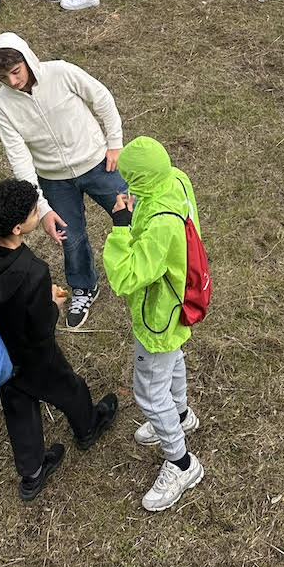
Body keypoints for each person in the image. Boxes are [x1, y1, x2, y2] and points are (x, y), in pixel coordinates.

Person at [0, 179, 119, 502]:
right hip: (32, 357)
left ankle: (32, 474)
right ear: (18, 227)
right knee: (69, 387)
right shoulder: (31, 272)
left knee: (18, 409)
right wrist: (53, 303)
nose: (40, 211)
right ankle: (88, 427)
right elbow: (41, 329)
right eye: (35, 211)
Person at [0, 33, 129, 328]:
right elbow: (19, 157)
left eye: (16, 72)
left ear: (28, 60)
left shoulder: (61, 72)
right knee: (71, 238)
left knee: (132, 214)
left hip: (98, 163)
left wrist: (114, 142)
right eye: (4, 77)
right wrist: (43, 206)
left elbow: (101, 97)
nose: (13, 82)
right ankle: (84, 287)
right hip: (54, 179)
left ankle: (150, 270)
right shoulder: (2, 105)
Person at [103, 137, 206, 512]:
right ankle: (181, 414)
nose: (126, 188)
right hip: (179, 301)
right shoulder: (175, 179)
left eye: (129, 180)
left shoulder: (160, 222)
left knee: (148, 391)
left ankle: (181, 463)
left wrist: (120, 227)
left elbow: (127, 276)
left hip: (159, 313)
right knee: (172, 357)